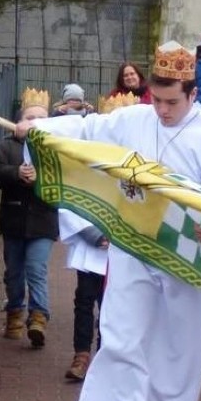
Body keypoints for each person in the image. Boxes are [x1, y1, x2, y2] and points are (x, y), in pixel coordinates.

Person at [14, 41, 201, 401]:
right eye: (157, 100)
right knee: (122, 338)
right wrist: (39, 129)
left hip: (185, 259)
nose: (162, 110)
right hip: (133, 251)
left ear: (193, 94)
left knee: (177, 347)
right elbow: (87, 130)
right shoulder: (133, 119)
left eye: (171, 102)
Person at [58, 92, 139, 381]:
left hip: (122, 247)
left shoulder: (134, 165)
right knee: (84, 300)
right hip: (92, 245)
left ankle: (107, 355)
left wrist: (122, 233)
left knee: (114, 303)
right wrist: (93, 233)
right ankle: (81, 354)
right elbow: (71, 198)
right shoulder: (86, 162)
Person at [0, 88, 58, 348]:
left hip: (43, 220)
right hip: (14, 220)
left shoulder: (55, 148)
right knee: (14, 273)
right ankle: (14, 312)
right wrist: (16, 173)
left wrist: (43, 179)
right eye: (30, 117)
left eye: (42, 117)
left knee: (36, 269)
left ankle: (39, 317)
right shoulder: (8, 146)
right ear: (19, 121)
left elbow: (66, 179)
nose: (36, 122)